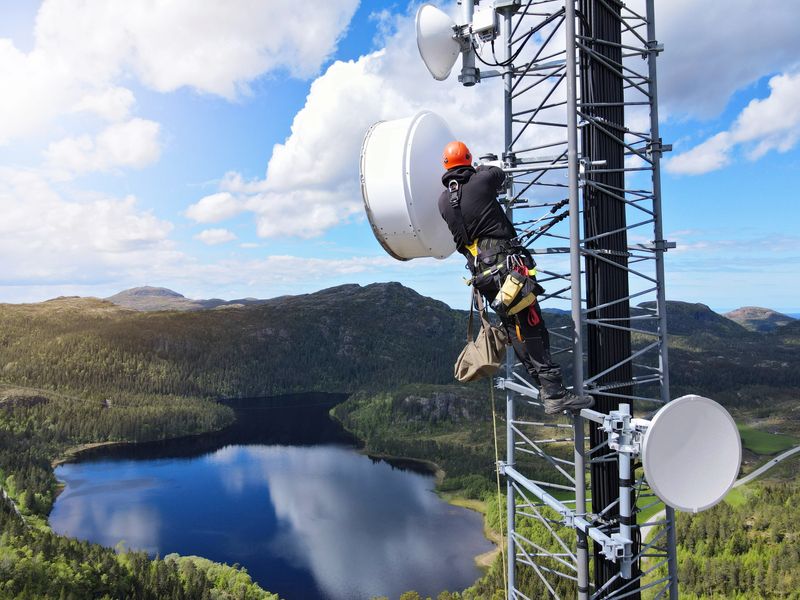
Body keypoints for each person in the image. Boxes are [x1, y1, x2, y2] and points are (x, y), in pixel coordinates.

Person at [437, 140, 593, 415]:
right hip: (506, 271)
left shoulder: (443, 201)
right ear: (469, 160)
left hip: (484, 278)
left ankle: (547, 389)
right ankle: (554, 393)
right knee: (532, 326)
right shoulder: (481, 181)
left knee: (515, 328)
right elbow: (497, 174)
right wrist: (482, 167)